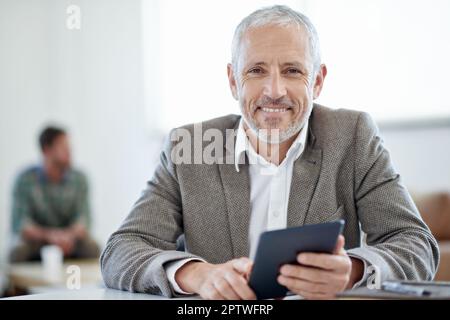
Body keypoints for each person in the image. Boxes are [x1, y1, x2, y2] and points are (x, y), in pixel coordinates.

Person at [100, 5, 439, 299]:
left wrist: (352, 270)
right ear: (233, 81)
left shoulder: (352, 137)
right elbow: (122, 250)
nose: (274, 91)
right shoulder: (189, 147)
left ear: (317, 81)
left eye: (292, 71)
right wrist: (197, 275)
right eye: (256, 70)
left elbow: (415, 244)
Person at [10, 126, 99, 262]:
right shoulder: (25, 179)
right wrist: (50, 236)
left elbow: (84, 220)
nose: (69, 151)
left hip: (71, 242)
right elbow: (21, 224)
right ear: (46, 150)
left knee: (93, 248)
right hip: (38, 242)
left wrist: (67, 236)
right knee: (16, 251)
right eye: (63, 146)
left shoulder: (79, 179)